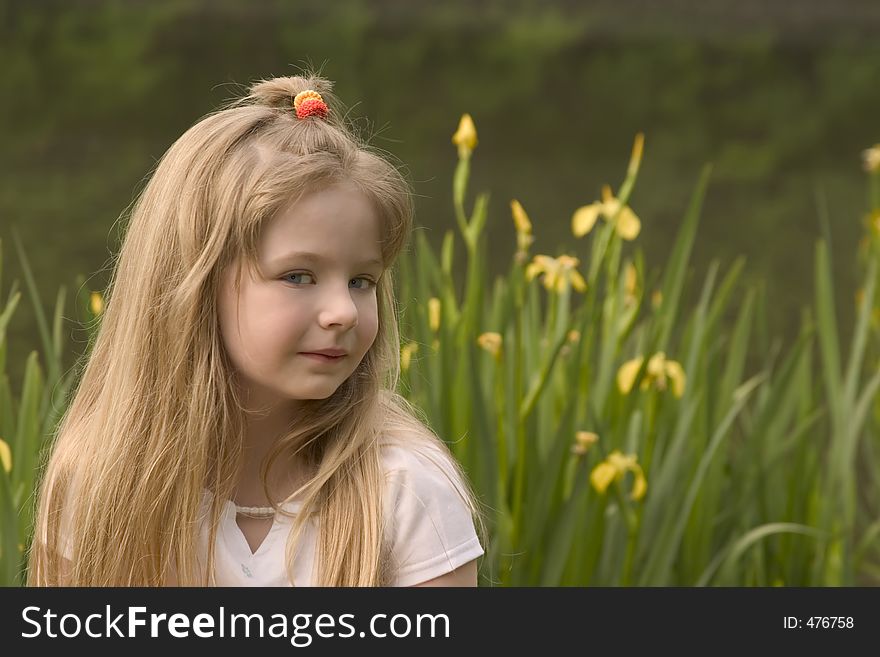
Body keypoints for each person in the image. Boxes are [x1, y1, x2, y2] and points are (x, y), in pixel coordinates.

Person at [27, 73, 484, 587]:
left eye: (362, 280)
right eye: (297, 276)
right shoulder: (101, 484)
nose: (345, 312)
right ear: (193, 285)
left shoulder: (405, 490)